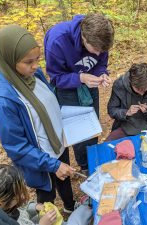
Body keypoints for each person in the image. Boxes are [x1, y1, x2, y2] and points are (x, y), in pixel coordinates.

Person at [0, 25, 76, 213]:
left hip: (58, 143)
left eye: (37, 59)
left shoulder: (33, 74)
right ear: (9, 60)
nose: (36, 66)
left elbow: (47, 101)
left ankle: (70, 207)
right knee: (47, 195)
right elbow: (16, 147)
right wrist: (53, 165)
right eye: (29, 61)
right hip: (40, 159)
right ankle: (49, 218)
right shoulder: (4, 99)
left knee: (65, 179)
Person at [44, 13, 114, 172]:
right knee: (78, 131)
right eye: (95, 49)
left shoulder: (101, 39)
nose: (98, 53)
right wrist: (80, 78)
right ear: (84, 37)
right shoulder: (58, 40)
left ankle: (92, 160)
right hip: (68, 90)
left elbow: (101, 63)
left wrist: (102, 74)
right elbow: (56, 78)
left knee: (92, 126)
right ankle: (84, 166)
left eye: (102, 50)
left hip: (90, 86)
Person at [0, 164, 92, 225]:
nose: (23, 196)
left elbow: (22, 207)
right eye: (18, 196)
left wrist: (35, 207)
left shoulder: (4, 207)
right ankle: (88, 205)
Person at [106, 63, 147, 141]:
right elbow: (112, 110)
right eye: (138, 89)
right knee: (108, 146)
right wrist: (126, 112)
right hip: (124, 125)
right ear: (130, 82)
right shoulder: (119, 84)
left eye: (144, 89)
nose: (141, 93)